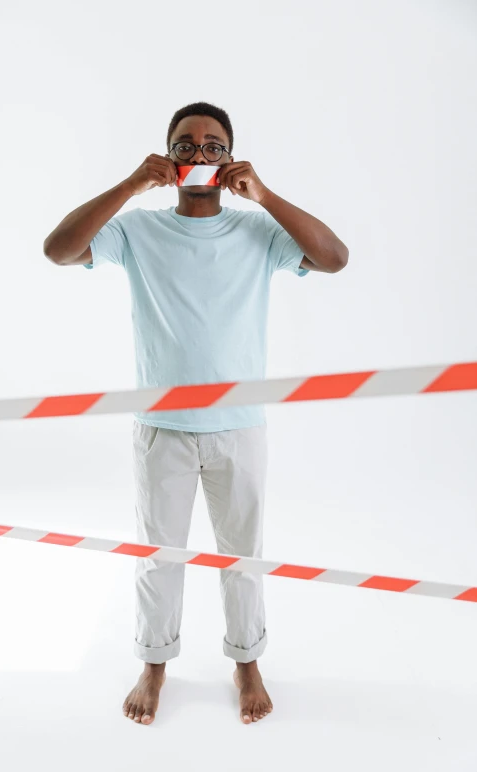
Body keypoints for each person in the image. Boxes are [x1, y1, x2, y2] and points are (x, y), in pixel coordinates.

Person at [43, 101, 349, 726]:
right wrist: (131, 185)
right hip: (163, 433)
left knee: (244, 557)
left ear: (230, 157)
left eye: (213, 145)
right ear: (169, 155)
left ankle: (246, 660)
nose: (200, 153)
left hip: (240, 429)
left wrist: (263, 195)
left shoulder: (257, 233)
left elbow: (335, 257)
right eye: (187, 143)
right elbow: (58, 250)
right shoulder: (138, 231)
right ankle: (154, 663)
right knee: (159, 557)